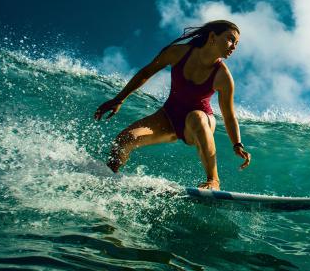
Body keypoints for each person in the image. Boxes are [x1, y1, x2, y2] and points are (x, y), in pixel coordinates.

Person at [94, 20, 250, 190]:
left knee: (196, 117)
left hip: (200, 123)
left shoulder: (223, 76)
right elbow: (146, 72)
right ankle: (109, 177)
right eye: (230, 39)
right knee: (124, 140)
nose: (233, 46)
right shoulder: (178, 53)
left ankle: (213, 181)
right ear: (212, 36)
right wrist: (119, 99)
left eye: (236, 43)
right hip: (168, 116)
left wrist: (237, 144)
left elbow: (229, 115)